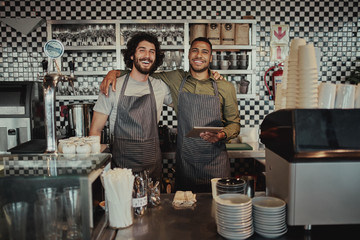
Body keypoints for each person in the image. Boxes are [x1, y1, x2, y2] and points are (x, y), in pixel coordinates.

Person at [100, 37, 240, 192]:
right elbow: (142, 72)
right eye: (195, 50)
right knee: (185, 211)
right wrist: (114, 73)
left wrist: (222, 135)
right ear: (188, 54)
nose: (199, 55)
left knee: (218, 212)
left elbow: (234, 124)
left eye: (204, 52)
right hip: (186, 166)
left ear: (210, 57)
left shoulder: (225, 87)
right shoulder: (176, 78)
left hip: (216, 165)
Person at [89, 32, 172, 182]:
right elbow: (95, 129)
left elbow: (184, 105)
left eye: (151, 52)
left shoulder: (160, 87)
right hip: (121, 168)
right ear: (132, 55)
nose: (147, 55)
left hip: (152, 166)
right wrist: (94, 165)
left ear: (156, 58)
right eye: (142, 50)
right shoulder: (113, 86)